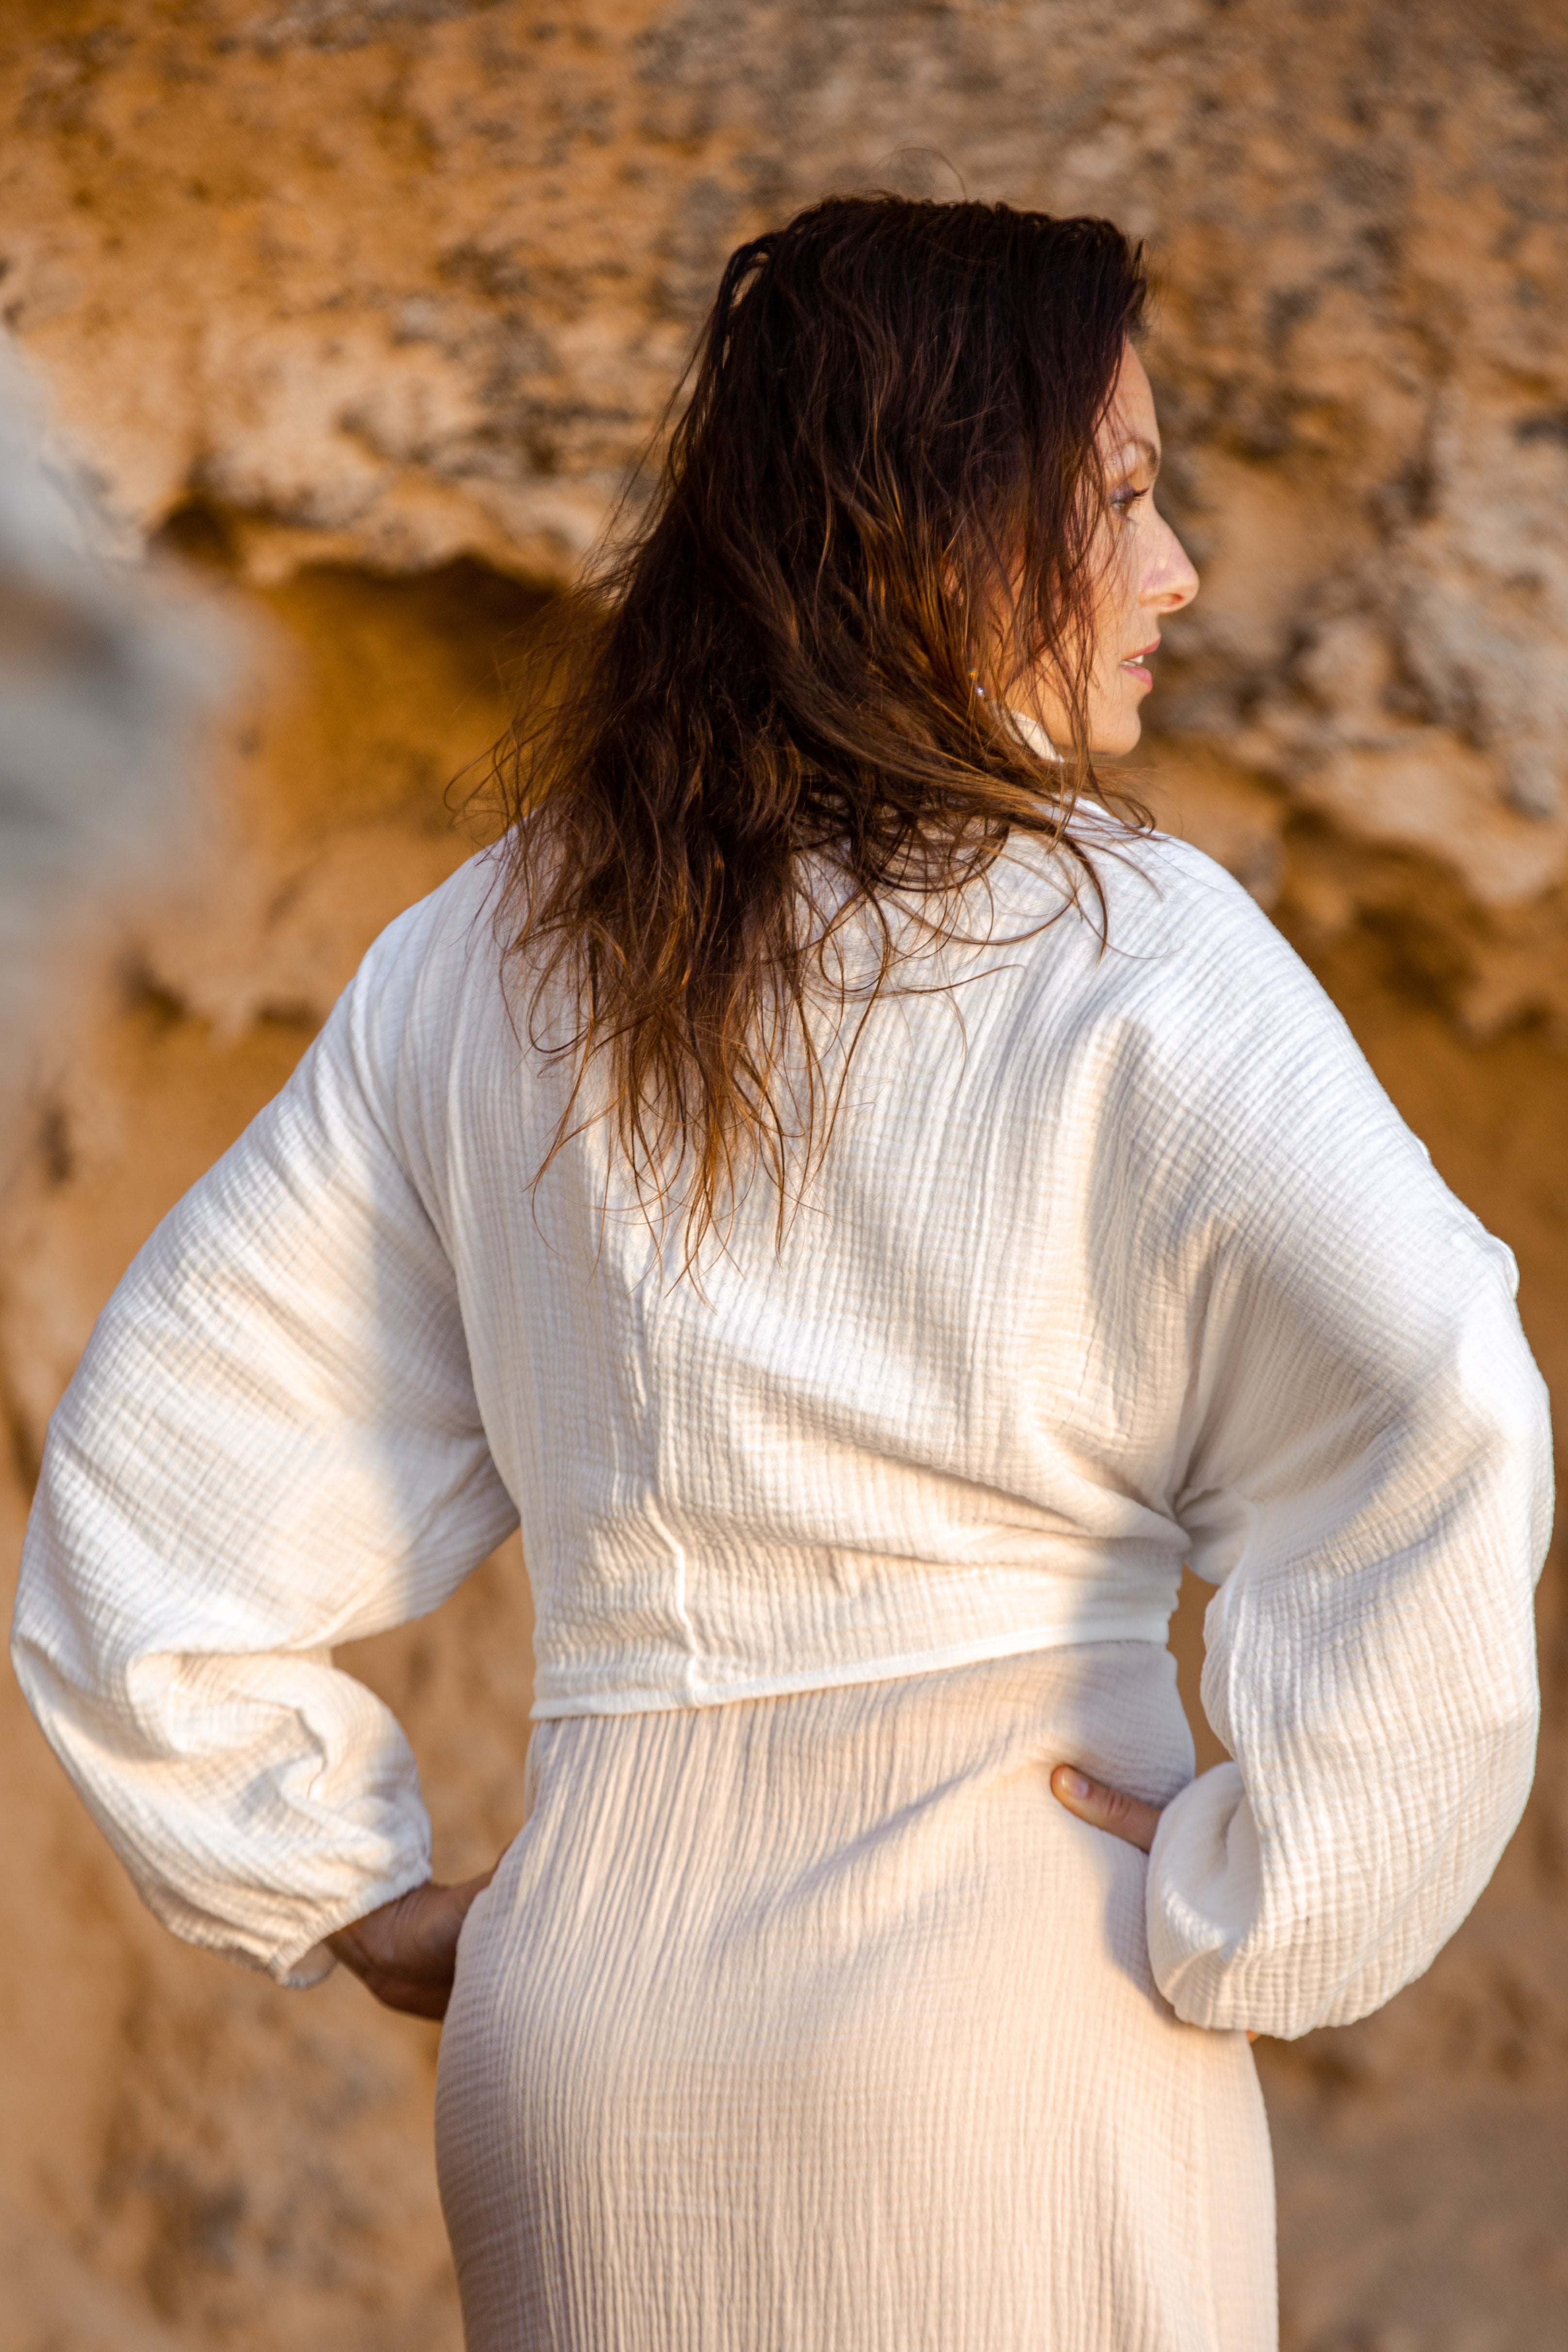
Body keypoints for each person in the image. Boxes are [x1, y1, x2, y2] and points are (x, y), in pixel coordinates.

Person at [12, 199, 1550, 2352]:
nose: (1173, 566)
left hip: (595, 2034)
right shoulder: (1130, 951)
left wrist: (347, 1892)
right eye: (1111, 498)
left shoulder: (498, 952)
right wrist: (1276, 1886)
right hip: (1014, 1994)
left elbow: (152, 1509)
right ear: (934, 530)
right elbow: (1442, 1385)